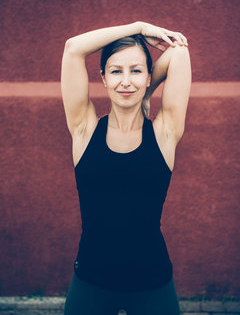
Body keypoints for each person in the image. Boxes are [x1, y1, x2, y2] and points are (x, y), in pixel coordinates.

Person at [61, 21, 191, 315]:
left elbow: (179, 53)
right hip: (90, 282)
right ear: (103, 78)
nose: (125, 81)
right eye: (116, 71)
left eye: (136, 71)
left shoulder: (164, 133)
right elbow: (73, 49)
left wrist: (144, 93)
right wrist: (138, 27)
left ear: (148, 76)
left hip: (153, 283)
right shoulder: (84, 129)